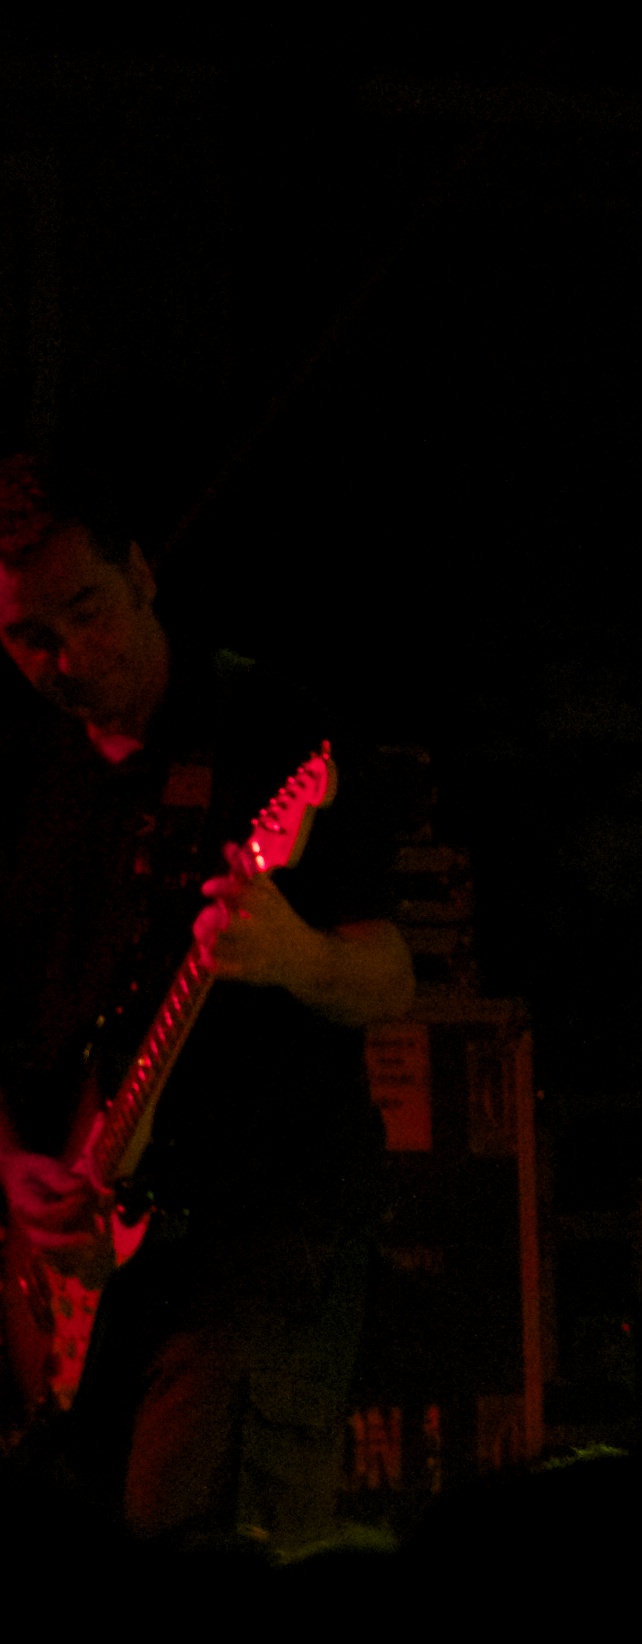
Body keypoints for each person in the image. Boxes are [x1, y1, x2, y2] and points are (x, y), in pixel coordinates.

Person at [0, 453, 413, 1546]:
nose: (67, 657)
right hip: (83, 1275)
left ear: (141, 574)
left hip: (258, 1244)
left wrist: (294, 956)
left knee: (200, 1551)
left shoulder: (268, 728)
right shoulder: (23, 776)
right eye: (28, 637)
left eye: (87, 610)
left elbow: (391, 976)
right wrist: (15, 1169)